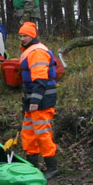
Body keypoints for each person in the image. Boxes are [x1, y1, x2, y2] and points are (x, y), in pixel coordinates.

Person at [17, 21, 59, 176]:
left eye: (25, 36)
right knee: (28, 133)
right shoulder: (31, 51)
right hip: (32, 99)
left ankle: (52, 168)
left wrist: (35, 101)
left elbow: (40, 79)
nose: (22, 39)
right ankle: (32, 166)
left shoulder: (37, 52)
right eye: (21, 36)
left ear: (32, 36)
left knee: (42, 133)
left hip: (41, 100)